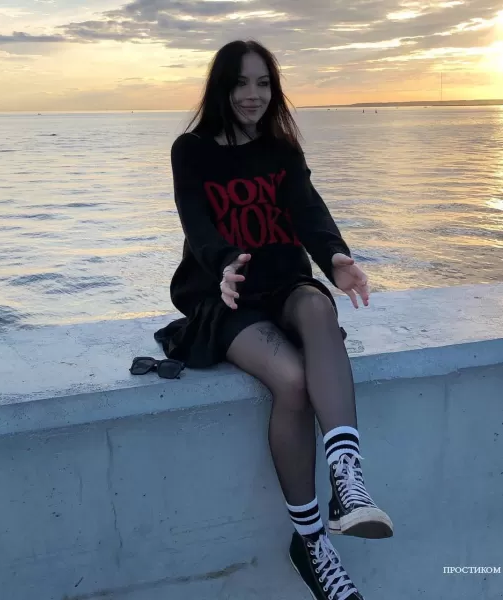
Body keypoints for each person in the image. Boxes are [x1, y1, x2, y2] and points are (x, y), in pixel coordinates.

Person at [154, 39, 393, 600]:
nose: (253, 95)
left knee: (317, 306)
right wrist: (222, 263)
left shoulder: (281, 148)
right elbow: (196, 222)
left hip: (285, 281)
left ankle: (348, 484)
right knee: (291, 381)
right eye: (241, 82)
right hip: (229, 295)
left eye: (263, 83)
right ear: (221, 87)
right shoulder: (191, 150)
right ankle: (311, 542)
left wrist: (335, 258)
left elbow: (308, 210)